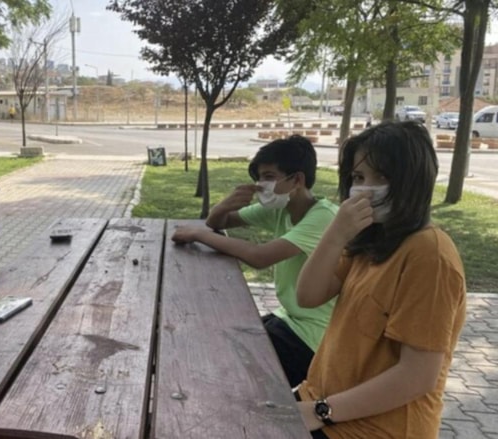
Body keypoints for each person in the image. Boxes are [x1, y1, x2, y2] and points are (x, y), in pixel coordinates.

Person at [293, 121, 466, 438]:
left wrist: (321, 411)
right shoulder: (371, 240)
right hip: (322, 404)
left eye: (382, 177)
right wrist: (336, 233)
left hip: (371, 428)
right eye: (359, 178)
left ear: (413, 182)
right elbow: (307, 296)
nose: (366, 189)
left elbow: (417, 375)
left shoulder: (430, 255)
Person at [171, 135, 338, 387]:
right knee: (217, 341)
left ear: (297, 180)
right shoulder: (283, 208)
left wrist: (198, 235)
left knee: (224, 375)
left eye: (269, 177)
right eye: (259, 178)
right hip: (289, 318)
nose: (261, 185)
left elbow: (260, 257)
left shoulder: (323, 217)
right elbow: (220, 222)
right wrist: (224, 205)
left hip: (314, 337)